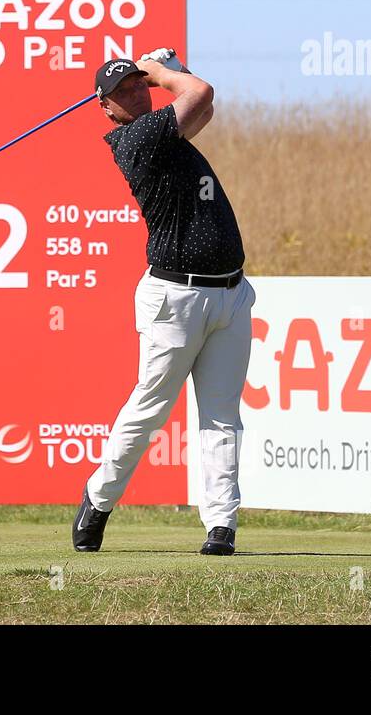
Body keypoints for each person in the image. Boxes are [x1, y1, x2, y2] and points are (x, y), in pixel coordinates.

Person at [72, 50, 255, 556]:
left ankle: (221, 526)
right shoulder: (134, 139)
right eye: (124, 90)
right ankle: (99, 497)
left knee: (222, 416)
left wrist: (172, 63)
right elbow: (201, 94)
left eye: (139, 85)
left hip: (230, 295)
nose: (136, 92)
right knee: (150, 410)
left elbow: (202, 105)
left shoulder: (167, 131)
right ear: (106, 109)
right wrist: (162, 71)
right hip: (175, 299)